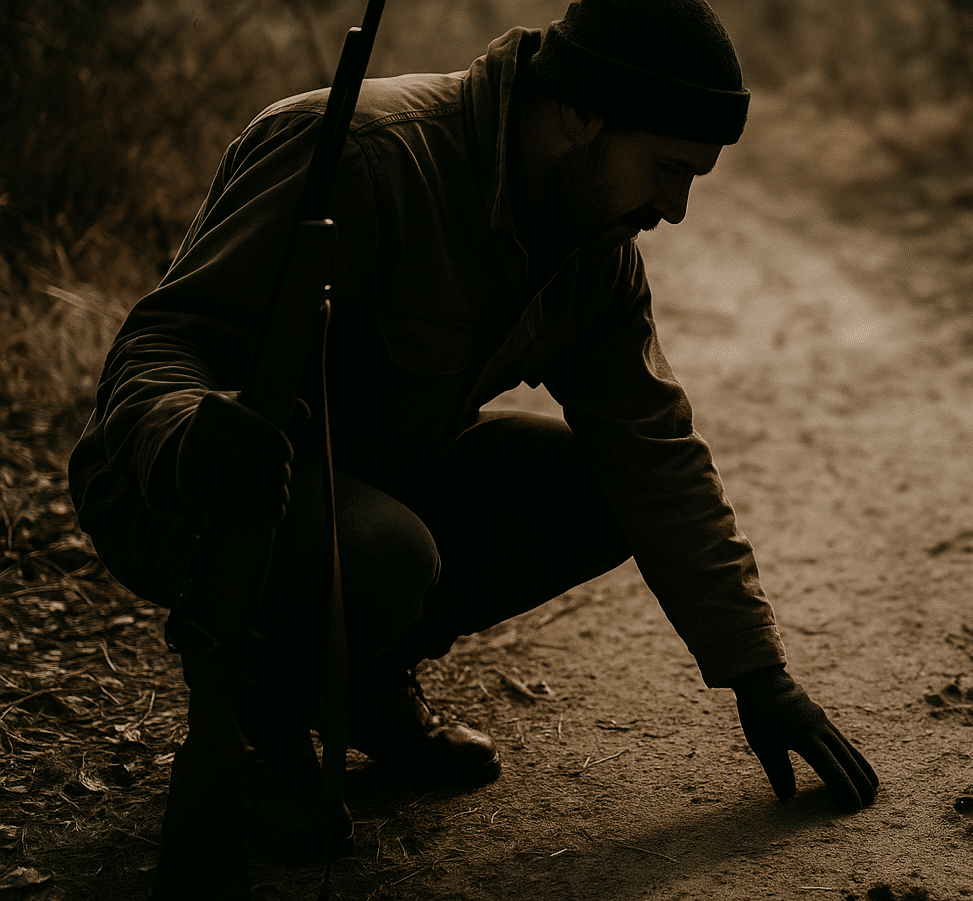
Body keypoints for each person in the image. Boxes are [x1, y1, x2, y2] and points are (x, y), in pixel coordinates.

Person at [67, 0, 878, 848]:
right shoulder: (357, 151)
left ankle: (367, 681)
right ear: (579, 113)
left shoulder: (590, 245)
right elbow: (160, 346)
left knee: (601, 487)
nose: (673, 210)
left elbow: (655, 454)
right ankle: (255, 733)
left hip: (372, 484)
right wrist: (192, 435)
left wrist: (761, 675)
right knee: (385, 550)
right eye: (666, 169)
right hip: (184, 490)